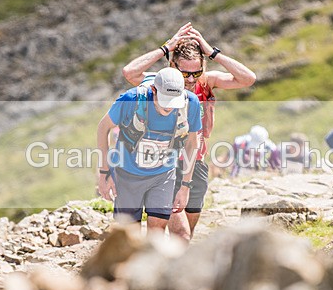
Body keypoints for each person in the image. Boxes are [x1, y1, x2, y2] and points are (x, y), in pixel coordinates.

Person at [122, 22, 256, 242]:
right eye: (185, 73)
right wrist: (165, 48)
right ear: (173, 66)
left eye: (197, 72)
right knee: (180, 233)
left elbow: (248, 79)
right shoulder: (160, 83)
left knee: (187, 234)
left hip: (197, 163)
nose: (192, 79)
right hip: (166, 164)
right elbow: (130, 72)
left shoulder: (207, 82)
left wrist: (212, 52)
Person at [97, 67, 201, 232]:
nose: (169, 108)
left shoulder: (191, 104)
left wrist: (185, 186)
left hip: (163, 175)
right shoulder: (131, 99)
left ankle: (153, 259)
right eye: (165, 100)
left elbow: (192, 144)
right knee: (130, 234)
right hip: (127, 174)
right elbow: (103, 128)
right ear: (154, 90)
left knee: (158, 229)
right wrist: (105, 172)